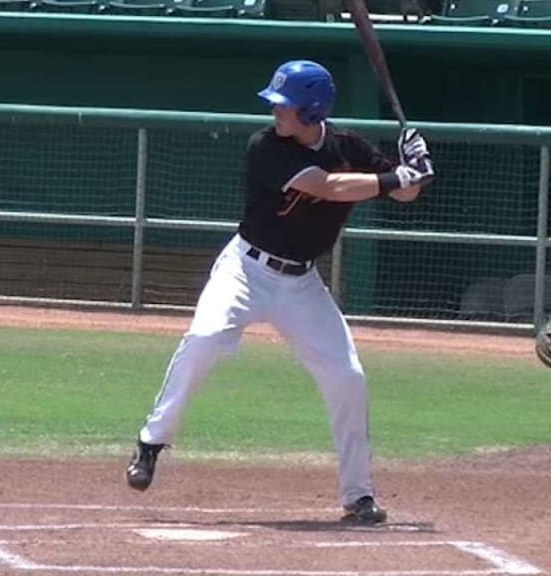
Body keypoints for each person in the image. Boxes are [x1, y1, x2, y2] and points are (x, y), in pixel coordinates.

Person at [124, 59, 434, 525]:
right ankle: (152, 440)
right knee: (204, 339)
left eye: (285, 105)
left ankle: (358, 495)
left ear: (312, 111)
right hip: (245, 271)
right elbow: (326, 187)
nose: (276, 112)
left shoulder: (349, 146)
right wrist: (398, 177)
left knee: (348, 376)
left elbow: (404, 193)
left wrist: (419, 165)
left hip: (302, 283)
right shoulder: (265, 148)